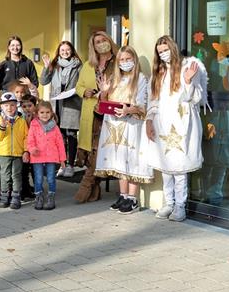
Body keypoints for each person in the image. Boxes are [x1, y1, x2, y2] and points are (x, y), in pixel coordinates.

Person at [146, 36, 206, 222]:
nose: (163, 54)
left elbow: (195, 98)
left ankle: (181, 206)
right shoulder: (159, 74)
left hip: (181, 125)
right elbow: (153, 100)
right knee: (166, 167)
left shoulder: (187, 67)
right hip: (162, 124)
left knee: (179, 167)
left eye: (166, 49)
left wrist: (188, 82)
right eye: (160, 51)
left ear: (173, 48)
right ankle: (169, 202)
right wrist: (149, 120)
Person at [93, 46, 152, 214]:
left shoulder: (140, 79)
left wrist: (128, 110)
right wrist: (104, 92)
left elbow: (142, 105)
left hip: (131, 123)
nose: (125, 63)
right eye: (122, 60)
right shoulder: (115, 79)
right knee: (119, 158)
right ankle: (123, 195)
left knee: (131, 158)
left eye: (128, 59)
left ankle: (132, 199)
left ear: (134, 60)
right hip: (114, 123)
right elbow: (104, 101)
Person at [74, 32, 119, 203]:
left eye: (103, 40)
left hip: (109, 111)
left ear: (109, 41)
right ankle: (95, 189)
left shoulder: (117, 62)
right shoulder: (88, 65)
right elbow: (78, 86)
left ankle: (86, 185)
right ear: (93, 47)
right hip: (91, 112)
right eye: (97, 42)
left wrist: (107, 92)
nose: (101, 44)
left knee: (100, 149)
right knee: (91, 150)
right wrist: (84, 92)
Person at [40, 41, 83, 177]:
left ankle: (70, 165)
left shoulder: (78, 66)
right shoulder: (54, 65)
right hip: (57, 104)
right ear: (58, 51)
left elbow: (82, 82)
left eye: (67, 49)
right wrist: (46, 67)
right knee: (60, 136)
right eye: (62, 50)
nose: (65, 52)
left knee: (70, 134)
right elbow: (43, 81)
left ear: (72, 50)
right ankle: (62, 165)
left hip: (72, 103)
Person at [27, 101, 66, 211]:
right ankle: (38, 197)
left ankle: (51, 197)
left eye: (47, 112)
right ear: (37, 113)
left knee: (51, 178)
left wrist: (62, 159)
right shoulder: (34, 126)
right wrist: (32, 149)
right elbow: (30, 140)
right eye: (42, 112)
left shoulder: (55, 127)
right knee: (38, 179)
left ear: (52, 113)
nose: (45, 115)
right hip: (37, 157)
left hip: (51, 157)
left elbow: (60, 144)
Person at [0, 92, 29, 209]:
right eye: (6, 105)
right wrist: (3, 126)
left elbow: (26, 137)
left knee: (16, 175)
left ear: (16, 106)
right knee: (5, 175)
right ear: (1, 107)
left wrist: (26, 151)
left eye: (12, 105)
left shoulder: (21, 120)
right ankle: (4, 197)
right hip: (4, 153)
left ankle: (16, 197)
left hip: (18, 152)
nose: (9, 108)